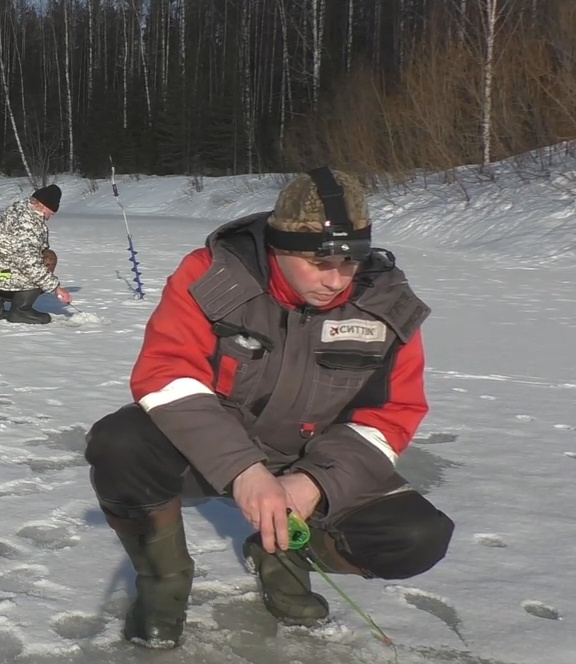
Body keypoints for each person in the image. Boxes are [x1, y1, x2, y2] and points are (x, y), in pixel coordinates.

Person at [83, 168, 454, 649]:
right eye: (319, 262)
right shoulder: (213, 276)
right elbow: (167, 374)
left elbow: (389, 416)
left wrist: (315, 482)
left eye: (351, 261)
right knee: (120, 443)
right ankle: (163, 583)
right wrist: (243, 469)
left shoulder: (387, 305)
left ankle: (283, 554)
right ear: (279, 248)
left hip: (315, 456)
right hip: (216, 451)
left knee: (416, 537)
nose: (336, 279)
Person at [0, 184, 72, 324]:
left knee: (42, 259)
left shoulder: (21, 209)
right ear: (41, 205)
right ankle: (21, 311)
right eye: (50, 213)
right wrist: (56, 288)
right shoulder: (26, 223)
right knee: (44, 264)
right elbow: (28, 264)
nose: (49, 217)